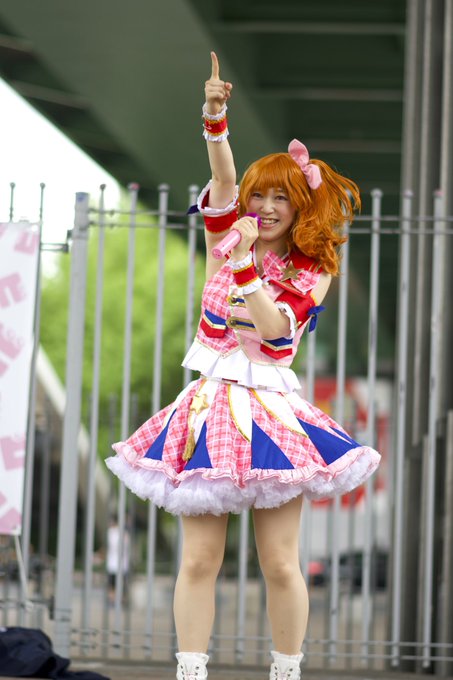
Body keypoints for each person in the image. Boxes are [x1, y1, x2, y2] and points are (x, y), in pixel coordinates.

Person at [106, 52, 381, 680]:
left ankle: (286, 671)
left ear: (301, 208)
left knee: (280, 562)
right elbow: (222, 175)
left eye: (282, 196)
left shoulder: (313, 271)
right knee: (199, 561)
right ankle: (190, 671)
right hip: (210, 404)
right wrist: (215, 116)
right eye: (260, 194)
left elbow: (277, 331)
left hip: (273, 412)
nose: (266, 205)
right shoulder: (223, 233)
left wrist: (247, 268)